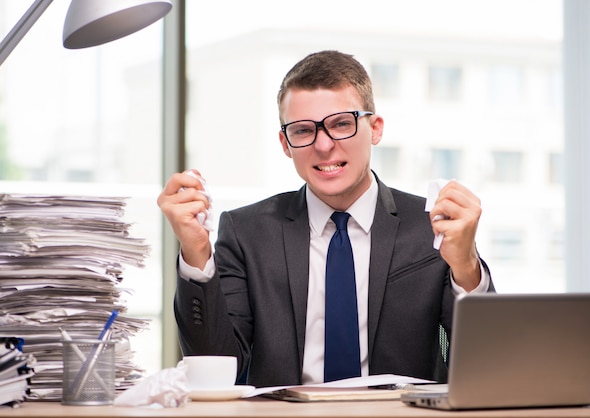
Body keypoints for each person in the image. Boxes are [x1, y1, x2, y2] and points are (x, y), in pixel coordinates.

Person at [157, 50, 494, 388]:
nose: (323, 145)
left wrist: (465, 266)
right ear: (285, 144)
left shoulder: (431, 226)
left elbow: (483, 367)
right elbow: (216, 368)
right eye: (303, 130)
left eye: (341, 124)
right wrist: (196, 251)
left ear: (375, 129)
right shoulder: (248, 232)